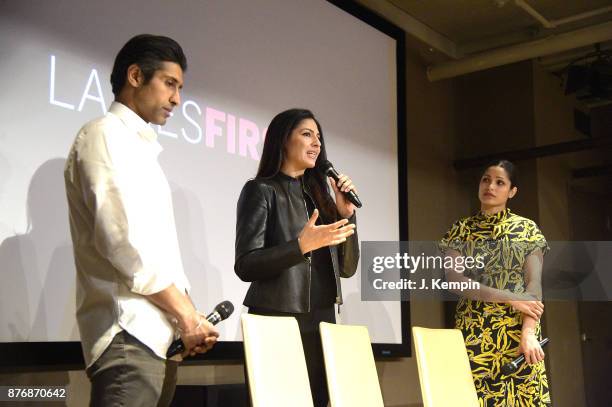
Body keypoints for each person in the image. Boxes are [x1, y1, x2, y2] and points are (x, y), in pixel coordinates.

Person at [64, 34, 218, 407]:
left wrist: (190, 316)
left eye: (179, 88)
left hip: (156, 340)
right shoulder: (103, 134)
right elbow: (125, 245)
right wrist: (187, 316)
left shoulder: (139, 147)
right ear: (135, 76)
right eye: (169, 84)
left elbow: (154, 250)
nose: (177, 99)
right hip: (128, 336)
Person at [234, 108, 359, 407]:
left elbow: (347, 268)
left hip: (322, 322)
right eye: (306, 134)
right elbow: (246, 264)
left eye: (319, 137)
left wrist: (346, 215)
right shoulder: (261, 190)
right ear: (283, 140)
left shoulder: (320, 199)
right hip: (277, 320)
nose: (316, 143)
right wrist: (299, 247)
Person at [439, 160, 551, 406]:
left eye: (500, 182)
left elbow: (534, 287)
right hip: (476, 335)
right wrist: (510, 297)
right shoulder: (460, 230)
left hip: (519, 336)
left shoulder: (527, 229)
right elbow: (456, 282)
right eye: (486, 179)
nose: (490, 186)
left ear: (512, 192)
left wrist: (528, 333)